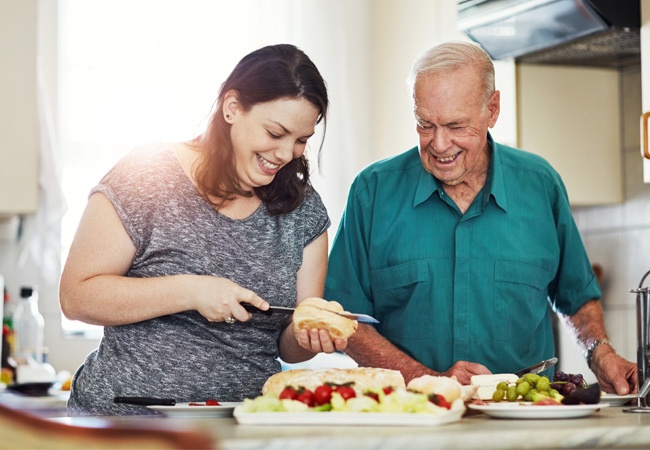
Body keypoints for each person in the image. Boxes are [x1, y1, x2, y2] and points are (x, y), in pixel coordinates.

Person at [324, 41, 637, 394]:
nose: (439, 144)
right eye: (425, 124)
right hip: (409, 422)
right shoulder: (373, 191)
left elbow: (576, 295)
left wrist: (599, 352)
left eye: (456, 126)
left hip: (526, 425)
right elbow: (344, 319)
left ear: (492, 109)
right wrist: (429, 382)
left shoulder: (540, 185)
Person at [60, 44, 344, 416]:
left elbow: (289, 344)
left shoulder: (303, 210)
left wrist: (309, 334)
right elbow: (76, 297)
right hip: (122, 425)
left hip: (240, 430)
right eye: (276, 132)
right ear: (232, 108)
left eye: (301, 140)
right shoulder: (147, 174)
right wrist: (192, 290)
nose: (286, 153)